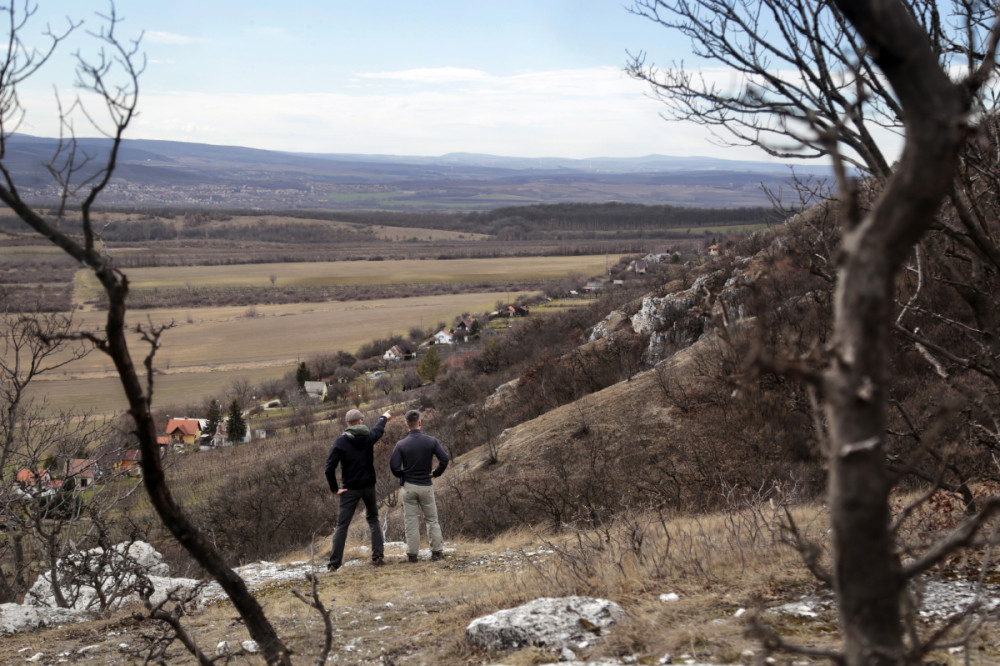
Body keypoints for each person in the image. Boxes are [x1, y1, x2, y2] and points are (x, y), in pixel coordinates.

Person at [325, 408, 391, 570]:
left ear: (347, 423)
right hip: (368, 486)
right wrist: (384, 417)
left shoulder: (341, 442)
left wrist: (335, 489)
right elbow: (378, 430)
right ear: (361, 421)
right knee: (373, 519)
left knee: (342, 525)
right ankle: (378, 556)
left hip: (349, 490)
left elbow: (329, 468)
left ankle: (334, 563)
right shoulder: (368, 437)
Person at [389, 409, 450, 562]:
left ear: (406, 424)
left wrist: (403, 475)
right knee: (432, 520)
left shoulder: (401, 444)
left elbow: (394, 467)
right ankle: (437, 553)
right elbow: (444, 459)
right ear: (420, 423)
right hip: (426, 486)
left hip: (409, 487)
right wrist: (435, 473)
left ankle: (412, 555)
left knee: (411, 521)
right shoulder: (431, 441)